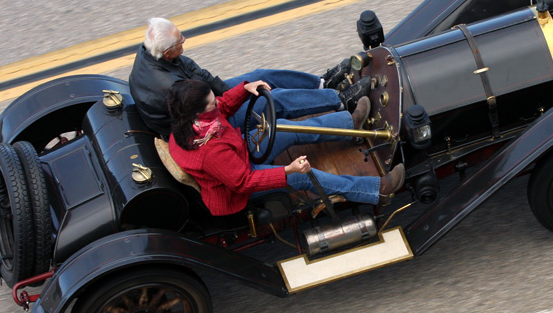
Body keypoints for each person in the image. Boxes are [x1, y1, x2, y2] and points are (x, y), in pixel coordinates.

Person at [166, 79, 404, 216]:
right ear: (197, 111)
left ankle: (350, 125)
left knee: (282, 127)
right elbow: (244, 182)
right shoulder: (210, 152)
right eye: (210, 102)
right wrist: (287, 171)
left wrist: (244, 90)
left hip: (235, 154)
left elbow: (223, 106)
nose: (215, 102)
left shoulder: (192, 122)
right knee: (303, 177)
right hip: (235, 187)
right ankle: (377, 190)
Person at [129, 17, 369, 139]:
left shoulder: (153, 53)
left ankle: (322, 84)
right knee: (271, 100)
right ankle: (339, 100)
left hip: (202, 102)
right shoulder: (170, 88)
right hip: (207, 126)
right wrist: (240, 95)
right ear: (168, 52)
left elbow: (198, 73)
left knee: (259, 77)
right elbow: (209, 108)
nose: (185, 44)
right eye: (182, 42)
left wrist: (235, 89)